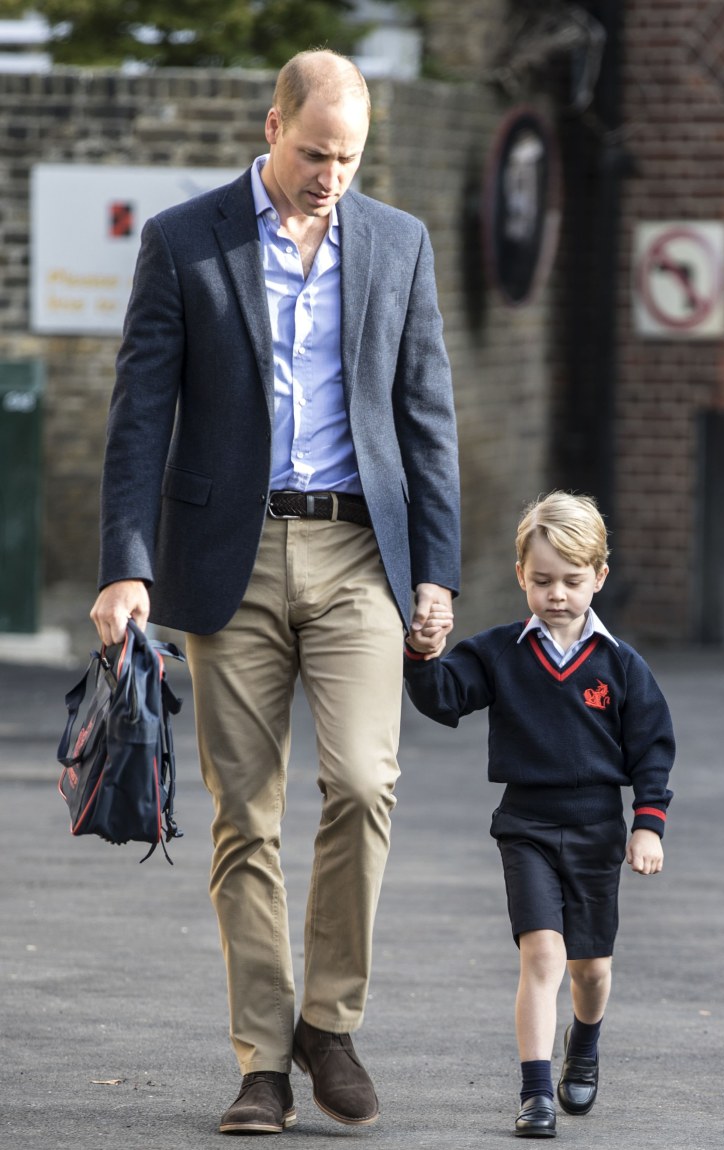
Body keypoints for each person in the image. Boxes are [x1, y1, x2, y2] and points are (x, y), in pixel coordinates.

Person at [90, 49, 460, 1135]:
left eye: (348, 158)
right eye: (312, 152)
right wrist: (125, 561)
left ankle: (328, 1022)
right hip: (228, 558)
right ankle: (263, 1060)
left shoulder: (398, 243)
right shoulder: (184, 240)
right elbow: (137, 416)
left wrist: (435, 569)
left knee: (363, 781)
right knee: (244, 817)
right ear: (272, 126)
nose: (328, 175)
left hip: (357, 556)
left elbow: (426, 416)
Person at [403, 491, 674, 1139]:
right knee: (542, 958)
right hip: (524, 825)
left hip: (597, 830)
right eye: (543, 580)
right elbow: (443, 699)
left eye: (573, 581)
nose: (557, 594)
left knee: (590, 969)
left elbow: (653, 748)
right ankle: (535, 1094)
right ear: (521, 574)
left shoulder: (620, 667)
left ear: (599, 578)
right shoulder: (500, 651)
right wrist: (422, 652)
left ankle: (584, 1043)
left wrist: (648, 824)